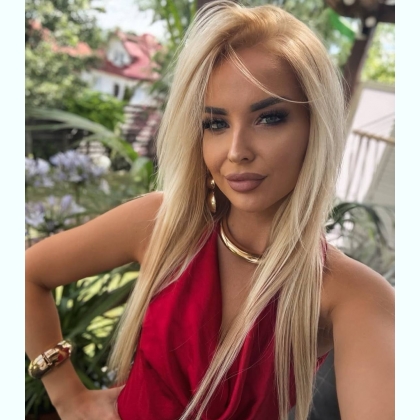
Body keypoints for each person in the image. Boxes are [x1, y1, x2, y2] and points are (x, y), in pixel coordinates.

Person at [25, 1, 395, 419]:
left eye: (269, 118)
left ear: (316, 126)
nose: (236, 151)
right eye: (216, 123)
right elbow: (26, 274)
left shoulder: (350, 294)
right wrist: (69, 397)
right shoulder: (162, 226)